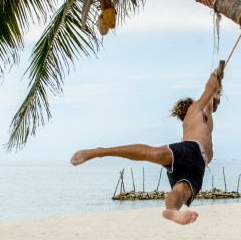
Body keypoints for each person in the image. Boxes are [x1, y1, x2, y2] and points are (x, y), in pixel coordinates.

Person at [70, 64, 225, 225]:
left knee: (181, 191)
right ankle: (99, 151)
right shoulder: (194, 110)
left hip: (199, 163)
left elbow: (210, 106)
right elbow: (209, 89)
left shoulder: (204, 123)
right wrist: (214, 76)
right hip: (192, 149)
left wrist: (217, 91)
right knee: (155, 154)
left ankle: (171, 210)